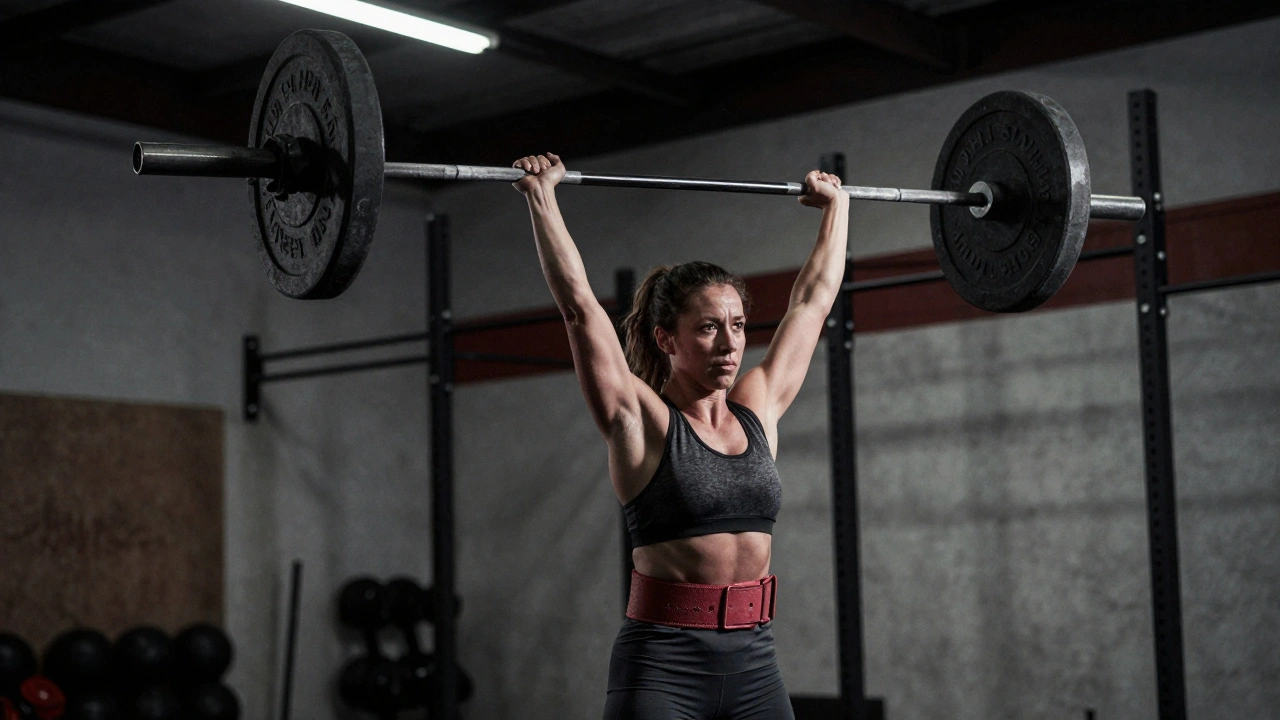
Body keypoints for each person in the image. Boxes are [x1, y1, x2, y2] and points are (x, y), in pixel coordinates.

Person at [513, 152, 850, 720]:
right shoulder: (640, 420)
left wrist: (836, 209)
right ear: (667, 339)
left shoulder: (758, 408)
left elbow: (813, 304)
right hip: (664, 666)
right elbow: (578, 309)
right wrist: (541, 197)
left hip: (755, 662)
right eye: (709, 328)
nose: (730, 344)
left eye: (738, 325)